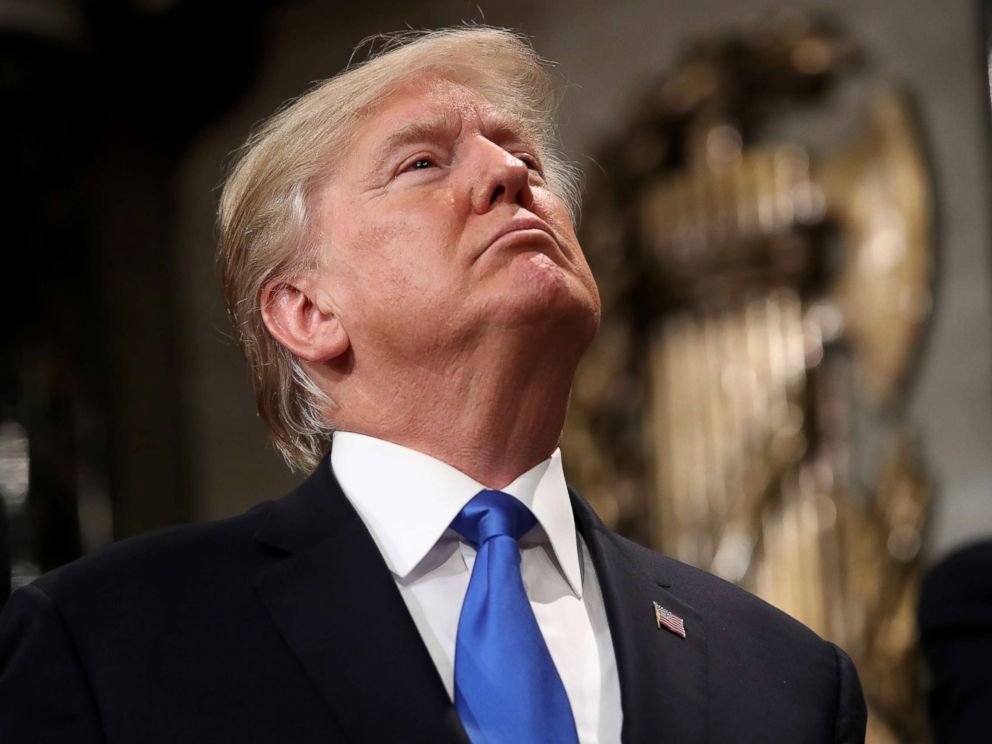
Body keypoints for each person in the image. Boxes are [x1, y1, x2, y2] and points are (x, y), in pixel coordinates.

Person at [0, 26, 867, 743]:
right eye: (422, 164)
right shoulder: (105, 645)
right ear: (306, 311)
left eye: (523, 154)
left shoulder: (789, 681)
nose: (510, 176)